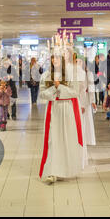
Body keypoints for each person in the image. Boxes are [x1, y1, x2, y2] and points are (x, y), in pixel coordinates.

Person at [39, 54, 84, 184]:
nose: (54, 60)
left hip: (67, 109)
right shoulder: (46, 75)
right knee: (53, 140)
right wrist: (54, 87)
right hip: (53, 109)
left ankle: (64, 169)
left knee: (65, 139)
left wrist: (60, 87)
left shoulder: (71, 74)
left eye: (57, 58)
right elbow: (42, 93)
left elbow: (75, 92)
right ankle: (52, 171)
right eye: (52, 58)